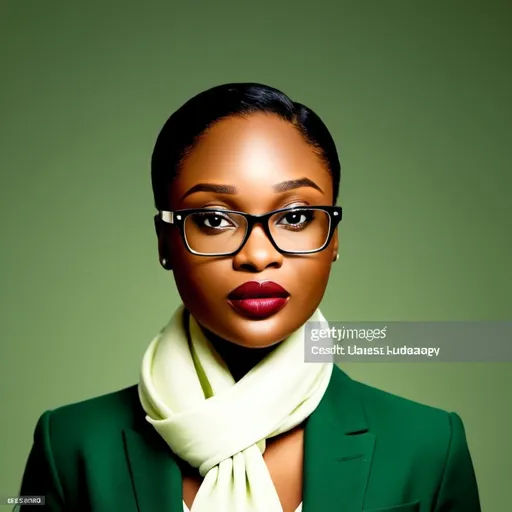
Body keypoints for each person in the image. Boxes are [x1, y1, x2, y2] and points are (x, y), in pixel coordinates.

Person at [18, 83, 481, 511]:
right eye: (215, 219)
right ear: (165, 241)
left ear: (334, 237)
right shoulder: (70, 445)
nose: (258, 255)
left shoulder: (429, 446)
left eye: (296, 216)